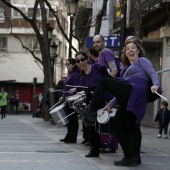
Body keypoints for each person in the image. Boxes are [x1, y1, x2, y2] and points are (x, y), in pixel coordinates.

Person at [74, 36, 162, 166]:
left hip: (135, 91)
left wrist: (156, 85)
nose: (130, 51)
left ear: (138, 50)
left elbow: (153, 74)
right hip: (128, 96)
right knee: (123, 127)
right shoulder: (126, 69)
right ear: (125, 53)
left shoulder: (142, 61)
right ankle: (132, 157)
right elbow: (119, 92)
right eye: (128, 49)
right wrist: (109, 106)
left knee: (104, 81)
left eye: (133, 48)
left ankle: (92, 111)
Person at [69, 52, 114, 158]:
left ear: (87, 59)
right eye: (78, 61)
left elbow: (110, 80)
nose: (81, 62)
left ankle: (130, 153)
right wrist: (85, 102)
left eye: (82, 59)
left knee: (114, 127)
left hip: (107, 100)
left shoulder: (97, 67)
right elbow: (87, 93)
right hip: (96, 102)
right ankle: (94, 150)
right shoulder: (83, 77)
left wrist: (99, 87)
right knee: (92, 125)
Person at [59, 58, 81, 143]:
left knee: (73, 119)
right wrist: (63, 96)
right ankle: (69, 135)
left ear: (73, 64)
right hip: (67, 99)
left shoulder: (75, 75)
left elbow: (76, 87)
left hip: (72, 100)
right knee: (69, 119)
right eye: (66, 64)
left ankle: (72, 137)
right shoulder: (70, 74)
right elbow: (67, 88)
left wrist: (70, 96)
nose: (67, 66)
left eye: (68, 64)